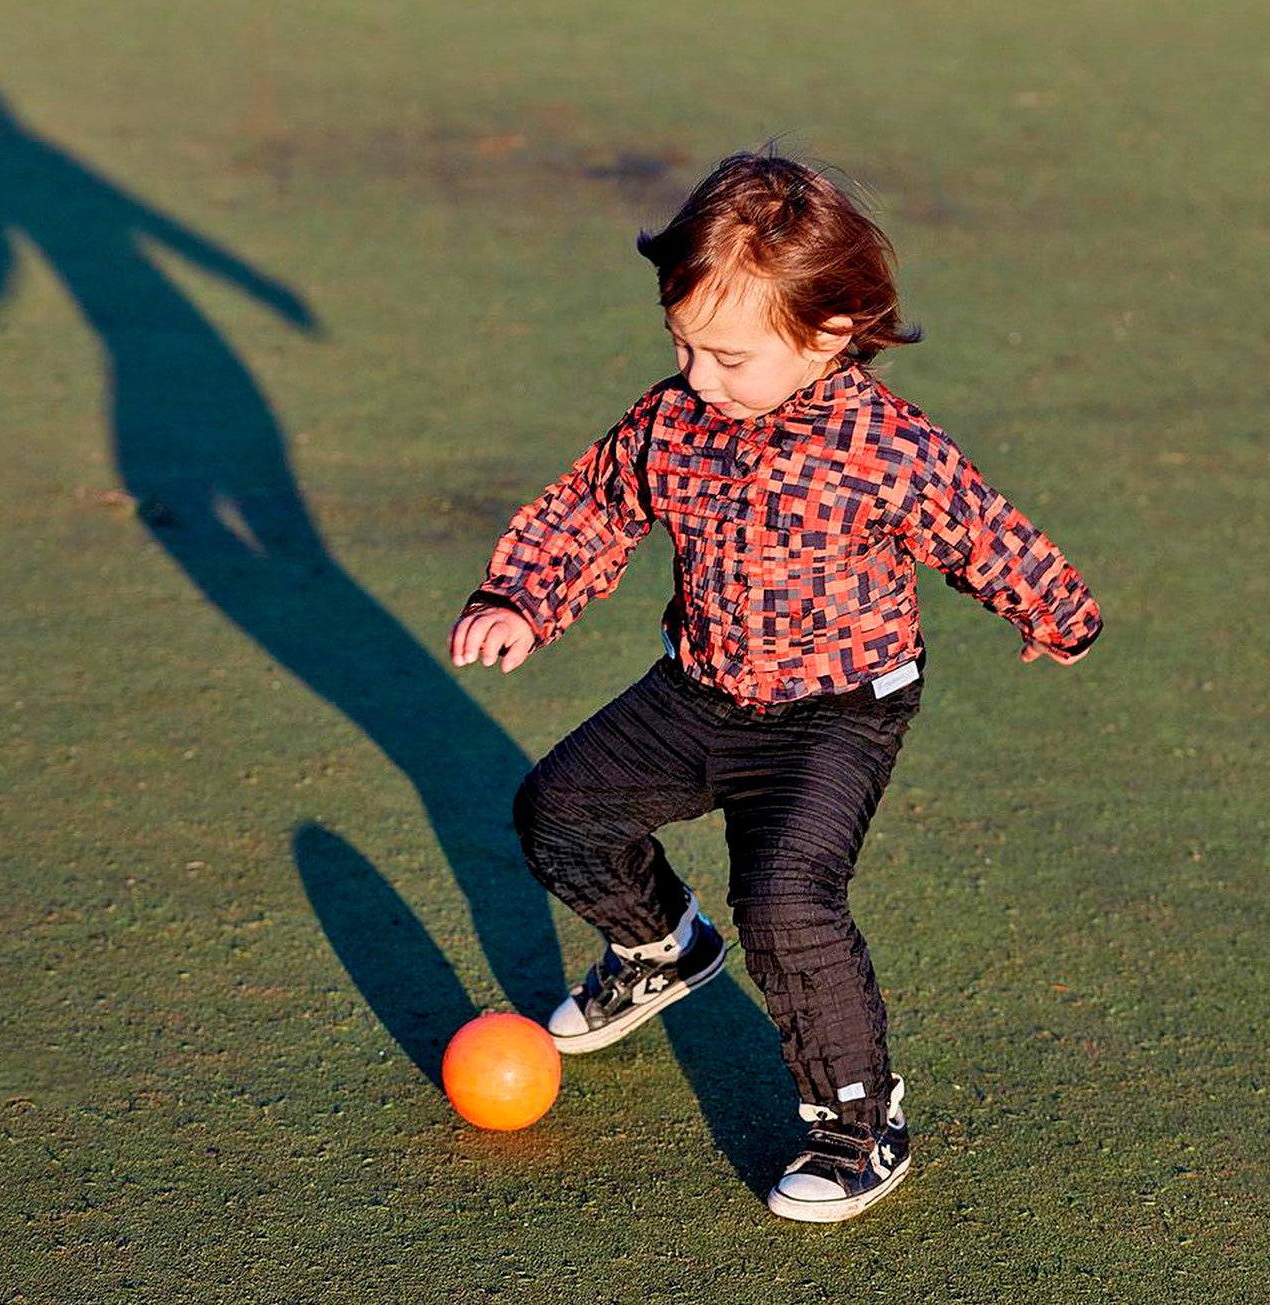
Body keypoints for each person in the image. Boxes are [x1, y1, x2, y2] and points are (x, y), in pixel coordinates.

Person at [447, 150, 1102, 1223]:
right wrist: (519, 598)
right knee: (557, 812)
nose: (699, 376)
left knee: (787, 899)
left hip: (839, 710)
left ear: (827, 335)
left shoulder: (884, 448)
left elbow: (977, 528)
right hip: (700, 687)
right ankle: (660, 945)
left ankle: (858, 1127)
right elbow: (594, 506)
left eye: (727, 356)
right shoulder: (675, 421)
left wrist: (1054, 612)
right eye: (682, 345)